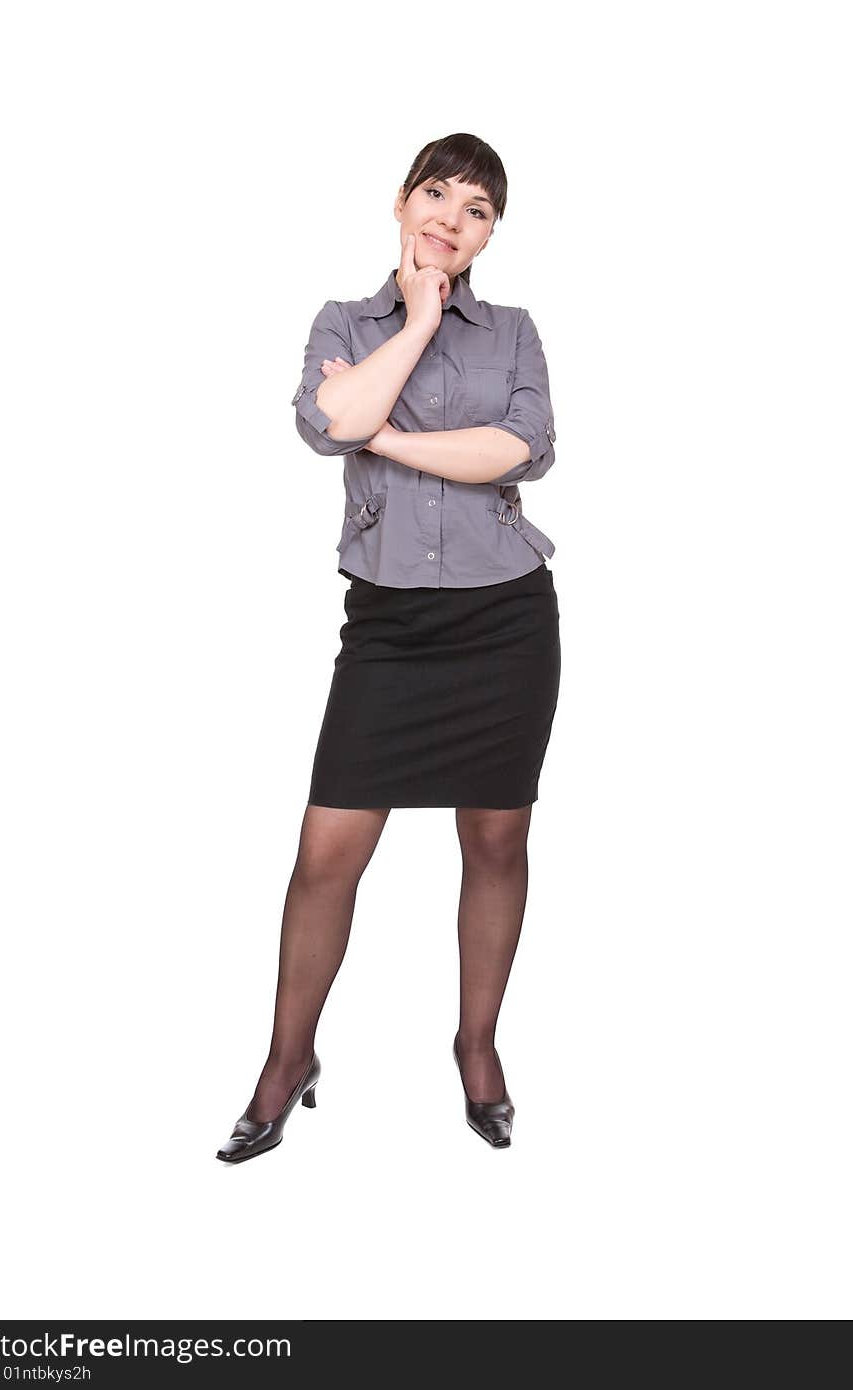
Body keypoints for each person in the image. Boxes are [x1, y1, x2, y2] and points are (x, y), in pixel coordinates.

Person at [217, 133, 561, 1163]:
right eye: (437, 196)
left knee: (495, 841)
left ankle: (477, 1046)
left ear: (493, 231)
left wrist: (386, 435)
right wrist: (413, 323)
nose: (452, 221)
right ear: (402, 202)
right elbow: (326, 425)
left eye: (478, 210)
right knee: (327, 853)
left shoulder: (513, 332)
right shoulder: (346, 321)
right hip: (389, 628)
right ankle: (288, 1061)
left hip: (506, 620)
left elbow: (522, 450)